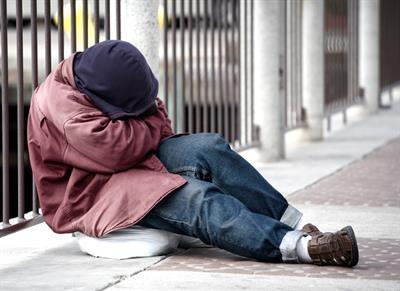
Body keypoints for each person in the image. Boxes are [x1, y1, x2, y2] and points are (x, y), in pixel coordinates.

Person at [27, 40, 358, 267]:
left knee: (208, 148)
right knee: (196, 198)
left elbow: (155, 121)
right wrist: (149, 119)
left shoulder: (103, 75)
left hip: (128, 163)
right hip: (90, 194)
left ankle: (296, 224)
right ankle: (297, 247)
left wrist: (144, 118)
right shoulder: (63, 109)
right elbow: (120, 147)